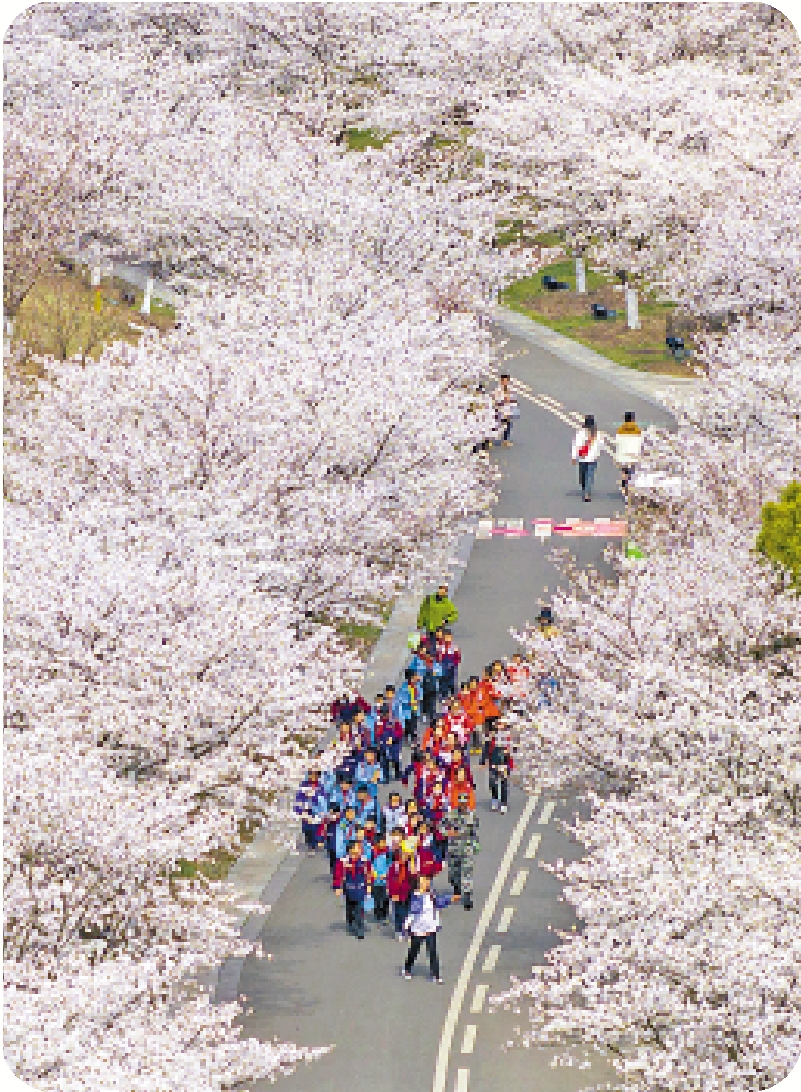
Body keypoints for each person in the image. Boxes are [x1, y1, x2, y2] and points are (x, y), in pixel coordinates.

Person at [400, 872, 461, 983]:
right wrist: (405, 930)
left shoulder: (430, 895)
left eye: (427, 881)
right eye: (424, 881)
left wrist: (450, 899)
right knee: (414, 950)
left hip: (430, 929)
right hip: (418, 930)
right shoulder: (415, 897)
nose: (427, 883)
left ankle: (436, 975)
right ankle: (407, 968)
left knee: (432, 951)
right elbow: (411, 914)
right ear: (418, 884)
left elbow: (438, 902)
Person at [444, 786, 479, 910]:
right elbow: (441, 828)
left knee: (467, 873)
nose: (463, 804)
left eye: (465, 802)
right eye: (461, 802)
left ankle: (467, 897)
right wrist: (448, 832)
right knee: (453, 875)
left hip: (466, 848)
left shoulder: (472, 816)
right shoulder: (450, 815)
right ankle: (457, 888)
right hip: (453, 849)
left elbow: (475, 831)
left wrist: (475, 845)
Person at [333, 839, 373, 940]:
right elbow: (338, 875)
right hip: (349, 889)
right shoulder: (343, 861)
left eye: (360, 848)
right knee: (350, 908)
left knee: (359, 909)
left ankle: (359, 928)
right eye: (357, 847)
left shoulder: (364, 861)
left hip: (360, 889)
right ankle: (350, 922)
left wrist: (369, 887)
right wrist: (338, 887)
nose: (360, 849)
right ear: (350, 849)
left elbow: (369, 875)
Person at [388, 836, 414, 940]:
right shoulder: (394, 866)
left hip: (408, 892)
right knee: (398, 911)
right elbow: (390, 880)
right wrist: (392, 893)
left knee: (408, 912)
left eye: (406, 854)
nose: (404, 856)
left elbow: (413, 876)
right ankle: (399, 930)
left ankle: (407, 930)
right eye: (402, 854)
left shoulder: (410, 865)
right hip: (397, 892)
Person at [482, 728, 514, 813]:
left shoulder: (509, 737)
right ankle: (495, 799)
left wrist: (509, 752)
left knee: (503, 783)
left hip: (504, 763)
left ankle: (503, 803)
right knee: (492, 782)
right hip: (493, 763)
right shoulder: (491, 737)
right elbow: (486, 748)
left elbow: (514, 749)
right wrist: (483, 760)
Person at [571, 413, 602, 502]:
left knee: (583, 476)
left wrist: (574, 457)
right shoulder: (597, 434)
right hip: (592, 458)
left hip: (582, 458)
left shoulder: (580, 433)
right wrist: (597, 454)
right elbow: (601, 445)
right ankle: (587, 491)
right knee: (589, 475)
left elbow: (576, 445)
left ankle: (586, 491)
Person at [614, 411, 643, 497]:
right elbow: (640, 442)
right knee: (632, 471)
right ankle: (629, 487)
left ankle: (624, 486)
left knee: (624, 471)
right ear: (633, 419)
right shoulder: (637, 429)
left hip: (623, 454)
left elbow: (617, 442)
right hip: (633, 454)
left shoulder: (621, 429)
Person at [493, 372, 518, 447]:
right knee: (498, 425)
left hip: (508, 410)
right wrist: (503, 400)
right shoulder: (497, 390)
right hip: (500, 410)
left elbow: (514, 399)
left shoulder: (510, 389)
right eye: (503, 380)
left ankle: (505, 440)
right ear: (501, 381)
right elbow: (495, 400)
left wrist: (513, 405)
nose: (505, 382)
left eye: (506, 380)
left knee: (508, 425)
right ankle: (490, 440)